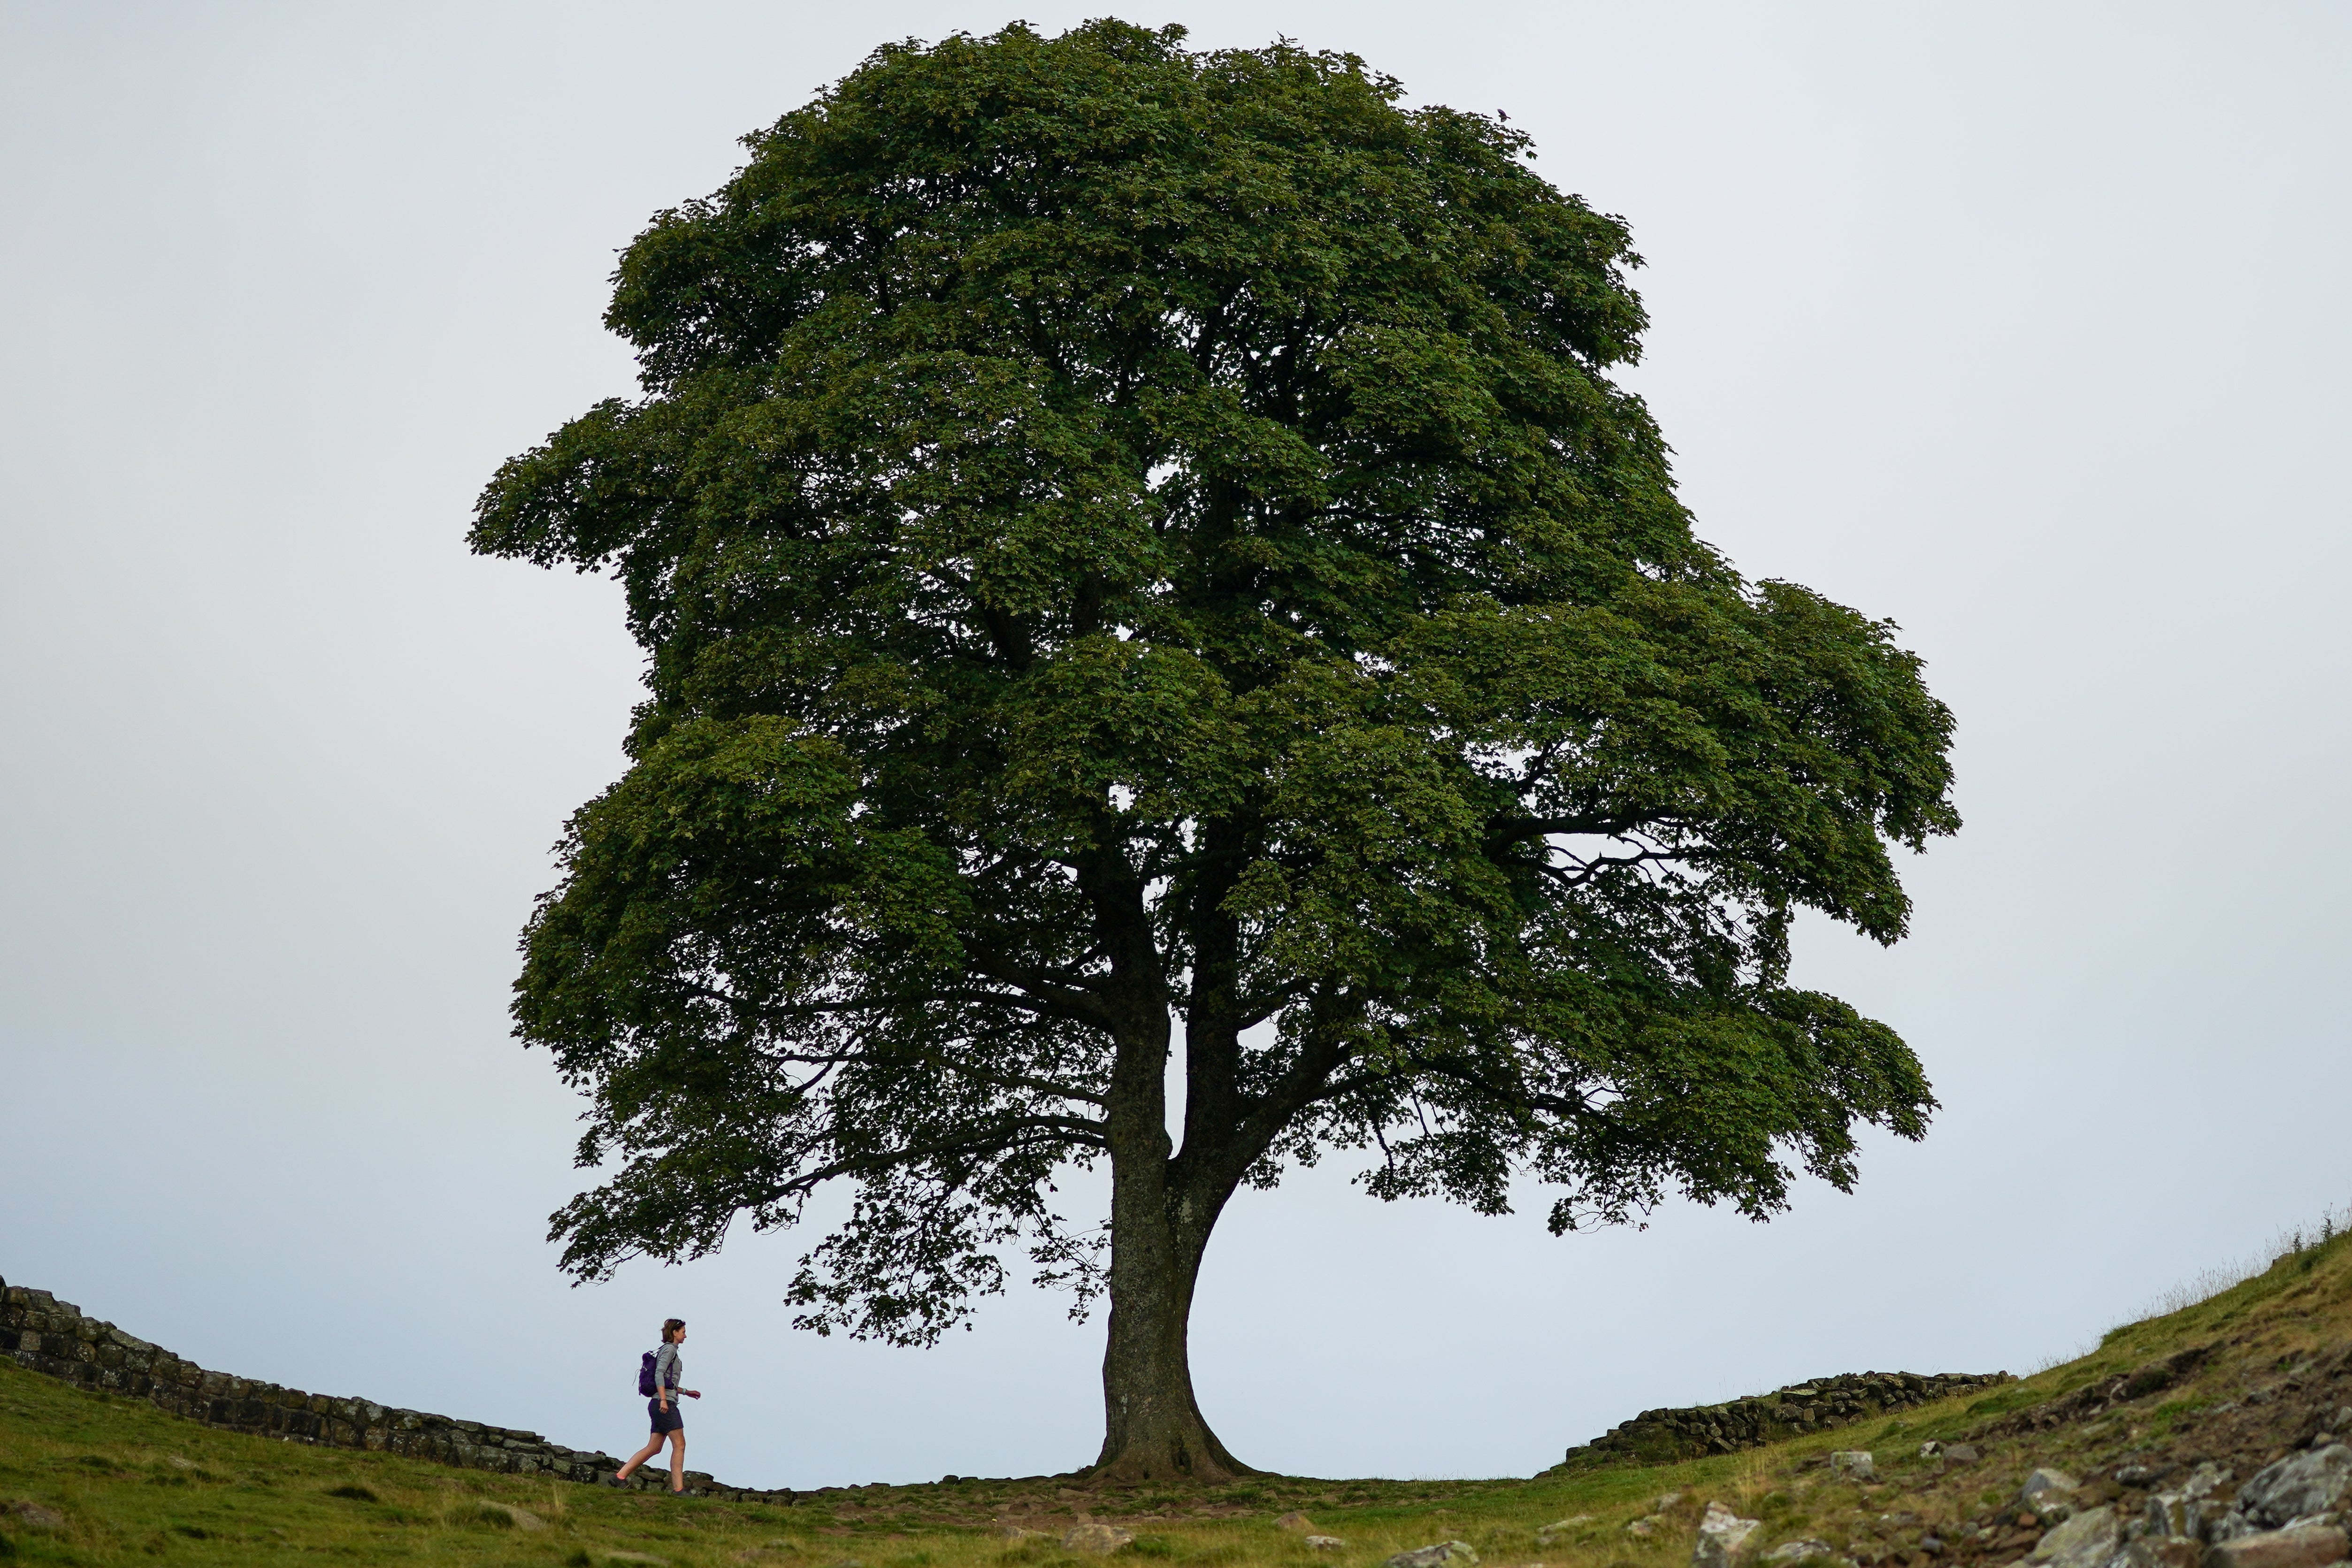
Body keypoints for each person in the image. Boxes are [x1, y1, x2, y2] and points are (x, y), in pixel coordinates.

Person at [612, 1318, 701, 1492]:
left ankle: (619, 1477)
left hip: (660, 1402)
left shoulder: (669, 1350)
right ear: (675, 1332)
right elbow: (659, 1374)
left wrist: (686, 1392)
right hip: (664, 1404)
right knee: (680, 1444)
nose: (686, 1335)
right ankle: (679, 1490)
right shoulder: (669, 1349)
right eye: (683, 1332)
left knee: (654, 1448)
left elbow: (668, 1382)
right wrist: (663, 1400)